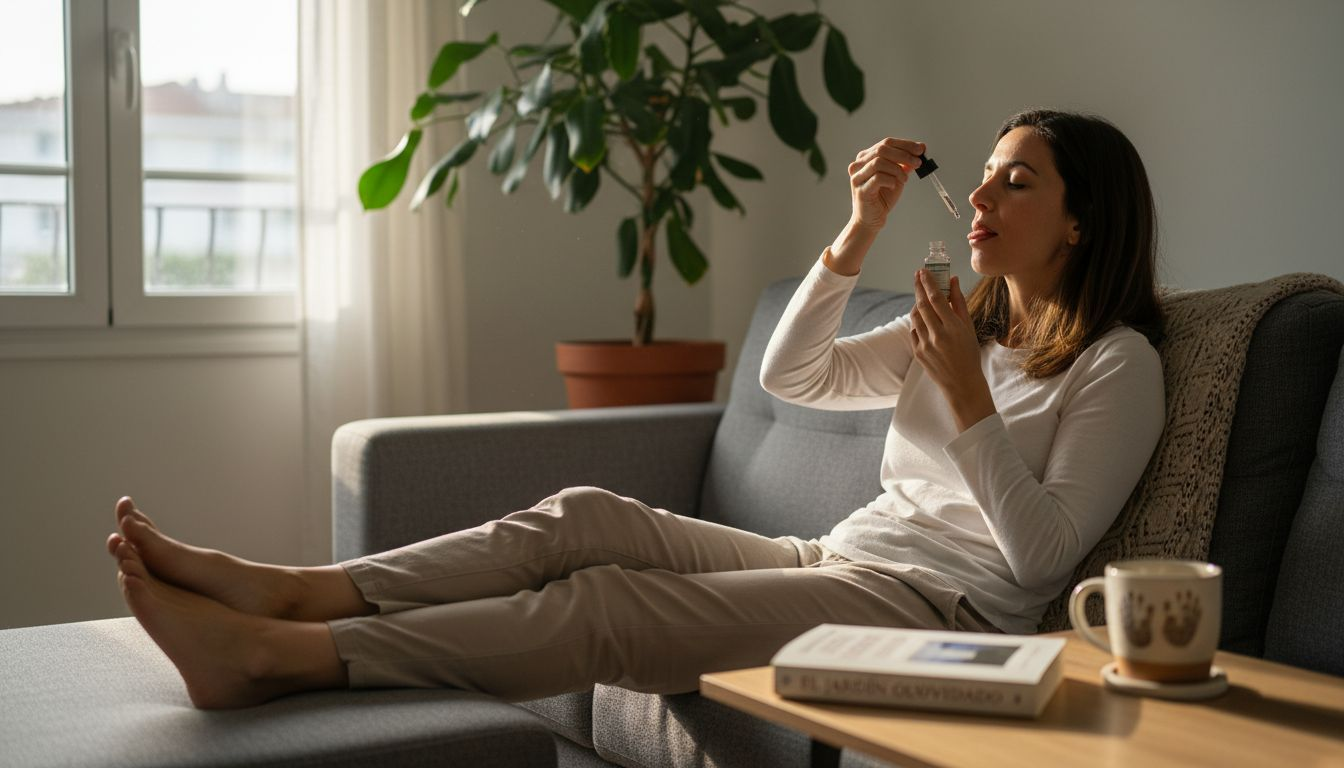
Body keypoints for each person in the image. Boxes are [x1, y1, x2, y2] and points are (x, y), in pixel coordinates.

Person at [107, 109, 1165, 710]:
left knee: (607, 605)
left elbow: (1038, 564)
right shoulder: (962, 325)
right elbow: (791, 377)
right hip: (832, 559)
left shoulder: (1118, 366)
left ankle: (273, 658)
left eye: (1015, 183)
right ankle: (298, 592)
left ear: (1080, 222)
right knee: (583, 517)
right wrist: (856, 233)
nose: (979, 198)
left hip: (941, 615)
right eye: (982, 176)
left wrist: (974, 408)